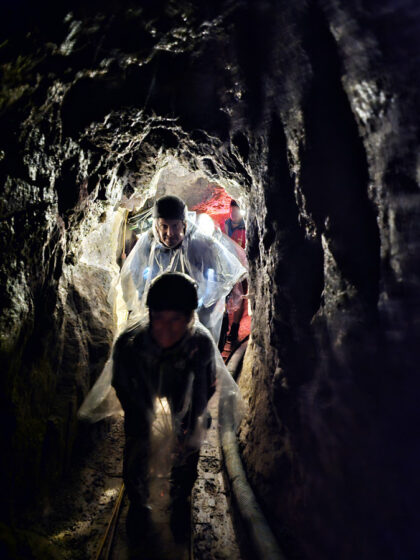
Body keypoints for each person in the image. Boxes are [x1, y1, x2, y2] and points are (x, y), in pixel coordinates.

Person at [111, 273, 216, 544]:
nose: (166, 330)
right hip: (143, 383)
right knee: (138, 441)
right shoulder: (130, 343)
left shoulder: (200, 343)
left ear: (190, 319)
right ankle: (137, 502)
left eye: (175, 321)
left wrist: (189, 427)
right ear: (149, 315)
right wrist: (141, 421)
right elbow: (122, 385)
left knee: (191, 438)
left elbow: (204, 390)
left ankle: (181, 498)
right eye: (159, 319)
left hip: (181, 383)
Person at [120, 195, 246, 343]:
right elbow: (135, 274)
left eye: (175, 226)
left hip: (196, 319)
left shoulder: (201, 244)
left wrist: (198, 309)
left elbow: (216, 282)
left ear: (184, 224)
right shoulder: (148, 244)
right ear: (156, 225)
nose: (170, 233)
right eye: (164, 226)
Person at [224, 200, 247, 341]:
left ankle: (235, 328)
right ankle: (224, 324)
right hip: (226, 268)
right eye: (232, 211)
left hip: (241, 270)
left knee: (241, 296)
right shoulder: (224, 225)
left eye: (237, 211)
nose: (234, 214)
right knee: (224, 296)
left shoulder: (245, 228)